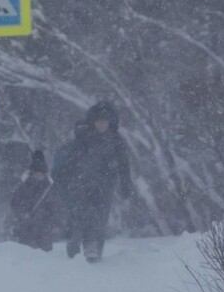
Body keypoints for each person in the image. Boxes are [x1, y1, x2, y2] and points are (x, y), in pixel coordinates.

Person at [51, 102, 133, 262]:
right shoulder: (83, 139)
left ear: (111, 122)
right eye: (98, 121)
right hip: (81, 186)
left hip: (105, 188)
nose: (101, 124)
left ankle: (94, 257)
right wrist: (63, 178)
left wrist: (126, 191)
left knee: (100, 221)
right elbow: (69, 161)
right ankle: (77, 252)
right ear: (93, 122)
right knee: (85, 218)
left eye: (105, 121)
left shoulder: (117, 142)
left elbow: (124, 167)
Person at [9, 149, 59, 251]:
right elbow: (15, 203)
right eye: (37, 174)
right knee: (28, 255)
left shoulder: (48, 188)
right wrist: (23, 214)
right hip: (29, 228)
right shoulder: (24, 186)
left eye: (41, 174)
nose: (39, 177)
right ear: (32, 173)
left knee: (44, 258)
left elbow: (55, 207)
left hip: (43, 229)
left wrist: (51, 221)